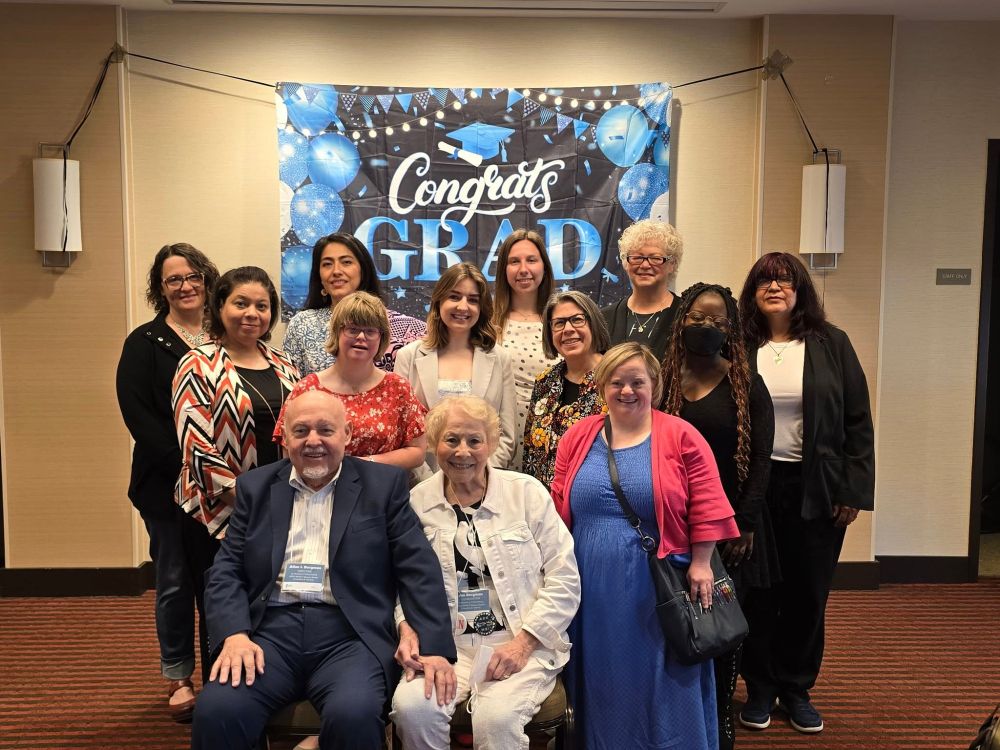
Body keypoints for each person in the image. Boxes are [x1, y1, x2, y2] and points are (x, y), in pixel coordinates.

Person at [191, 390, 457, 750]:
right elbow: (226, 571)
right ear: (285, 439)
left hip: (351, 634)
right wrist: (234, 634)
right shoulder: (257, 488)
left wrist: (435, 645)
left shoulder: (382, 486)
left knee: (355, 714)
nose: (313, 441)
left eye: (325, 430)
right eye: (300, 431)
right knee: (217, 711)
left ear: (347, 434)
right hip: (268, 634)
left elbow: (417, 568)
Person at [550, 342, 739, 750]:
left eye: (638, 381)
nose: (627, 390)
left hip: (657, 583)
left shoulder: (681, 435)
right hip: (589, 585)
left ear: (654, 383)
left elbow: (707, 504)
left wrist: (702, 563)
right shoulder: (578, 436)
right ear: (602, 387)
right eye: (617, 382)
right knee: (601, 673)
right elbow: (558, 502)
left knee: (660, 674)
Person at [390, 396, 580, 750]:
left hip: (518, 640)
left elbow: (564, 577)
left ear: (491, 444)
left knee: (497, 719)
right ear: (433, 444)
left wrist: (524, 643)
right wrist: (408, 631)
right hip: (447, 648)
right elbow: (403, 582)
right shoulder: (417, 502)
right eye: (451, 439)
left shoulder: (525, 493)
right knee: (413, 709)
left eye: (474, 441)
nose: (463, 451)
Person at [736, 252, 874, 735]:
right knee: (756, 591)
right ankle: (758, 686)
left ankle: (796, 687)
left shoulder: (832, 344)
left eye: (785, 279)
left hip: (816, 486)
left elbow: (858, 420)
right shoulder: (738, 346)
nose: (775, 287)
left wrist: (852, 489)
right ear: (752, 292)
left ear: (800, 290)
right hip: (754, 488)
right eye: (765, 281)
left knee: (808, 591)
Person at [659, 282, 777, 750]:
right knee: (680, 617)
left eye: (717, 321)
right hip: (673, 521)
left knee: (722, 623)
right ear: (681, 321)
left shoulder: (747, 383)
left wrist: (745, 521)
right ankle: (683, 706)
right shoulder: (662, 377)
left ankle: (722, 713)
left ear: (730, 330)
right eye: (697, 318)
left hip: (732, 528)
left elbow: (763, 457)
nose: (705, 327)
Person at [116, 243, 221, 721]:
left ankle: (223, 672)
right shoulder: (145, 343)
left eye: (192, 275)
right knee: (176, 580)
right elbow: (139, 417)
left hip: (226, 488)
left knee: (221, 582)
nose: (185, 286)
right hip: (167, 485)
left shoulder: (227, 336)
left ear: (207, 278)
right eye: (173, 279)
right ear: (160, 289)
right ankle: (179, 676)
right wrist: (194, 464)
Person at [173, 266, 299, 539]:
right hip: (217, 509)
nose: (252, 313)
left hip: (278, 503)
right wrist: (246, 501)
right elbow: (196, 448)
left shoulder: (284, 363)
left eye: (261, 306)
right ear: (220, 307)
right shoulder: (197, 363)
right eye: (241, 303)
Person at [274, 292, 427, 471]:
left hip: (383, 493)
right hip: (320, 490)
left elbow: (417, 451)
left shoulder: (398, 388)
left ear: (381, 338)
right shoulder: (307, 389)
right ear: (337, 333)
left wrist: (361, 466)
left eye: (370, 331)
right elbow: (289, 452)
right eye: (352, 329)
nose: (361, 336)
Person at [396, 263, 517, 471]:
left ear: (482, 308)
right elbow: (401, 434)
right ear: (439, 301)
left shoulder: (499, 358)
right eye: (454, 296)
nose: (463, 306)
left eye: (473, 300)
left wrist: (479, 479)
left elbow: (506, 436)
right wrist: (431, 485)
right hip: (422, 486)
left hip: (483, 486)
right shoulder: (408, 356)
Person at [282, 232, 425, 376]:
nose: (336, 271)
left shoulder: (399, 326)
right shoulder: (302, 324)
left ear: (363, 270)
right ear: (318, 275)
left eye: (346, 262)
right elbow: (291, 387)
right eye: (327, 264)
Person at [522, 291, 609, 488]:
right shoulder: (544, 382)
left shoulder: (616, 378)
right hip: (545, 506)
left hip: (595, 503)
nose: (568, 329)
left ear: (593, 323)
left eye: (577, 320)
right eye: (559, 323)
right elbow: (530, 451)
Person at [492, 229, 560, 468]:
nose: (523, 269)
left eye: (531, 260)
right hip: (499, 440)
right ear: (503, 270)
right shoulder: (488, 322)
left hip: (551, 440)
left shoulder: (560, 319)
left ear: (544, 266)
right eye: (514, 261)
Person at [601, 219, 684, 362]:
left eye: (655, 258)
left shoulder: (686, 316)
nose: (645, 265)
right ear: (626, 263)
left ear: (672, 264)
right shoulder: (604, 319)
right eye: (637, 257)